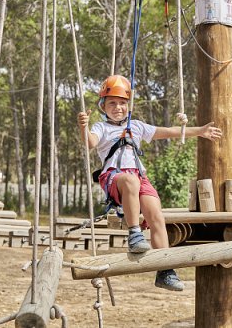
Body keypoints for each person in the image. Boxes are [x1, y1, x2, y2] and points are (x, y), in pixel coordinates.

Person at [78, 75, 222, 291]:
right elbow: (90, 142)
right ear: (103, 106)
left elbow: (169, 132)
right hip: (114, 178)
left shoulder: (136, 126)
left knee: (156, 217)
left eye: (122, 103)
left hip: (138, 177)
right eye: (112, 103)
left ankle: (165, 270)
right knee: (130, 181)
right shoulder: (101, 127)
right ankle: (135, 233)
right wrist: (84, 126)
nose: (118, 107)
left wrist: (200, 131)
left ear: (129, 105)